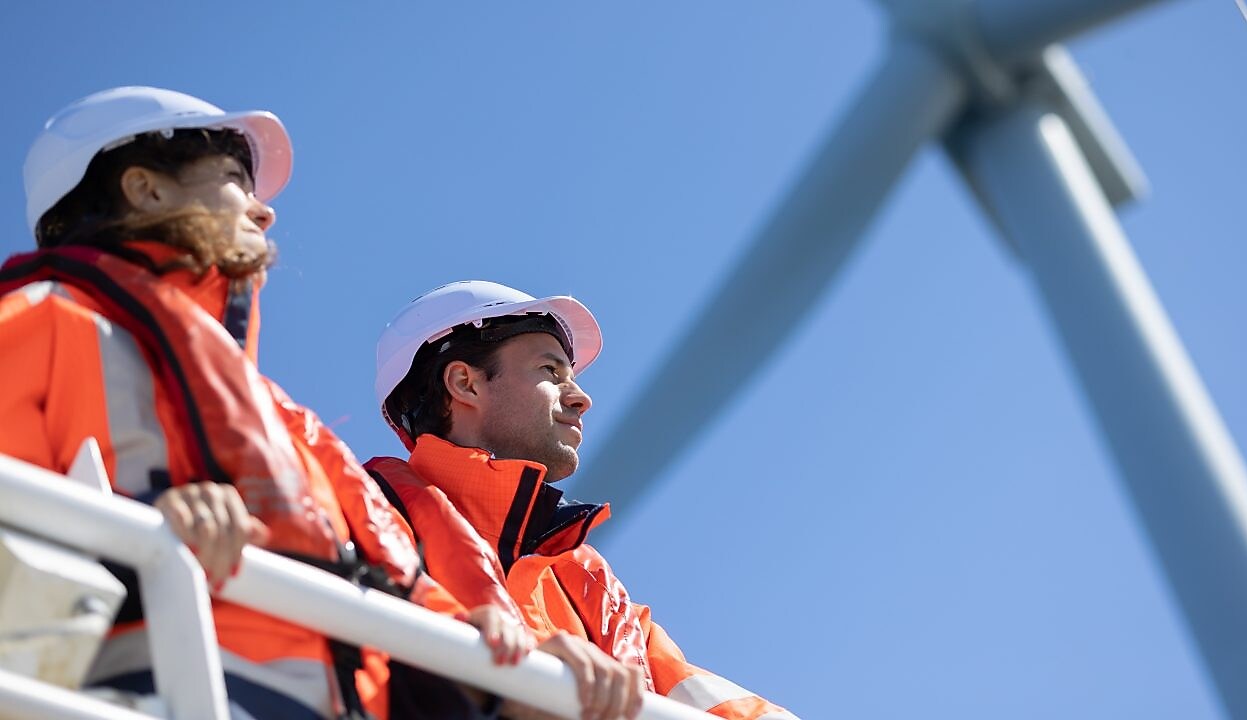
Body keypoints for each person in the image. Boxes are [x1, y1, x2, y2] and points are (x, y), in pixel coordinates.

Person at [0, 87, 619, 720]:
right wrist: (140, 529)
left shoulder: (283, 420)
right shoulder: (39, 325)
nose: (264, 213)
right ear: (146, 189)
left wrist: (508, 681)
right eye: (237, 180)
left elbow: (402, 587)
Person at [368, 281, 799, 720]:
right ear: (466, 384)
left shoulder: (585, 578)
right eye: (550, 372)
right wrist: (520, 674)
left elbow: (703, 702)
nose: (581, 398)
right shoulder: (370, 514)